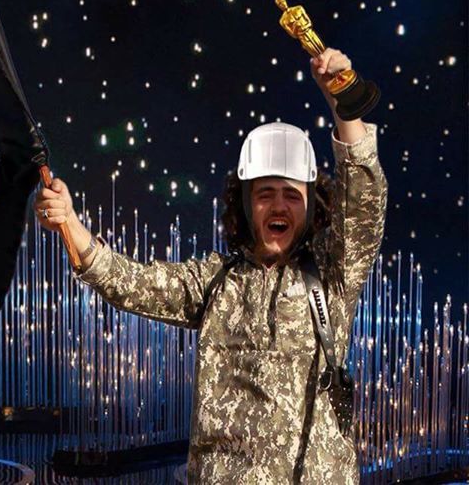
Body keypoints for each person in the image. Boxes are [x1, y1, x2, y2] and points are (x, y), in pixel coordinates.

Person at [34, 48, 388, 484]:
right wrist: (69, 222)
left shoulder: (331, 275)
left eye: (292, 195)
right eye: (265, 194)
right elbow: (132, 282)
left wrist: (343, 103)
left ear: (311, 205)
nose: (279, 205)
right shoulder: (217, 281)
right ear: (247, 204)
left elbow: (364, 206)